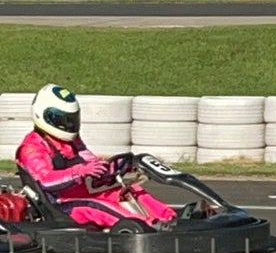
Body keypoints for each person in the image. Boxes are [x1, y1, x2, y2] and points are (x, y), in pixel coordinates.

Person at [15, 83, 176, 230]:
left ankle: (169, 218)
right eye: (63, 120)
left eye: (71, 119)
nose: (69, 125)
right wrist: (79, 172)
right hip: (61, 205)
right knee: (97, 206)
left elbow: (91, 162)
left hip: (81, 197)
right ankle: (143, 226)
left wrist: (114, 168)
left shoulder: (71, 141)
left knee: (131, 190)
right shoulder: (31, 148)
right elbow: (46, 180)